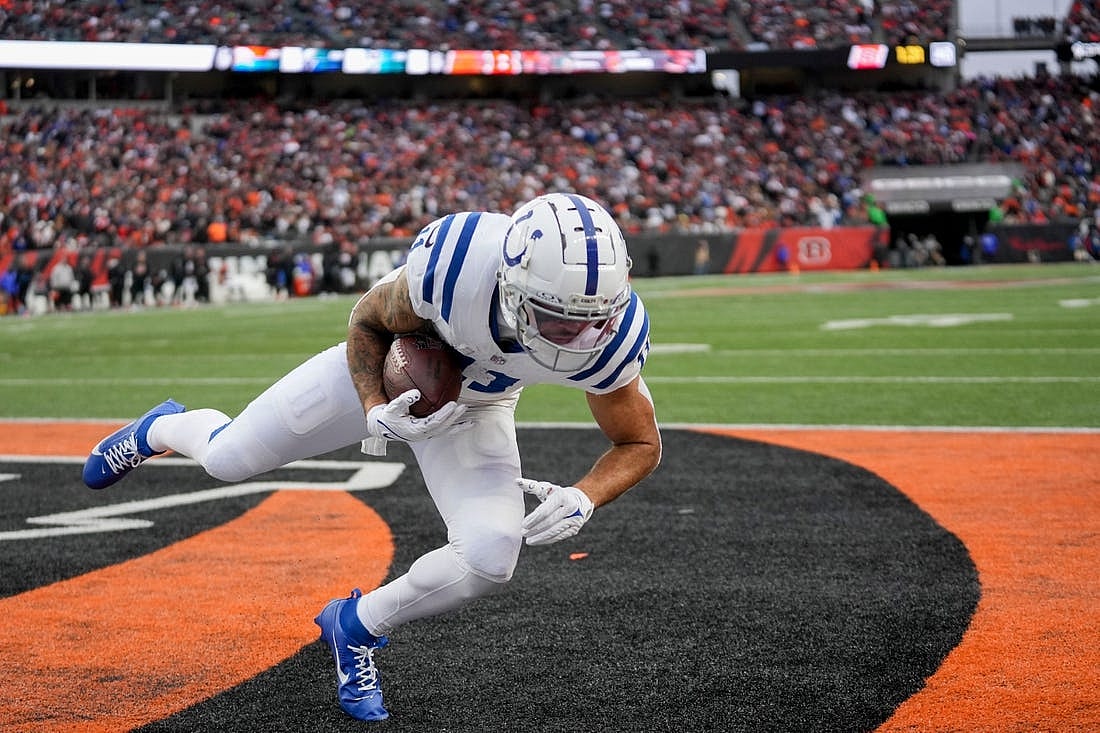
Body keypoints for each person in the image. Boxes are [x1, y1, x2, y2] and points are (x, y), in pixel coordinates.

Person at [80, 192, 661, 722]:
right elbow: (367, 320)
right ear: (511, 283)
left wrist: (587, 494)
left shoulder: (612, 335)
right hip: (388, 372)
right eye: (560, 316)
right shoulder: (457, 267)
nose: (580, 334)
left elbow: (638, 442)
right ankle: (165, 428)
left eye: (595, 317)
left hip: (478, 407)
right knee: (227, 459)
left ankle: (354, 626)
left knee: (489, 556)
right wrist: (372, 405)